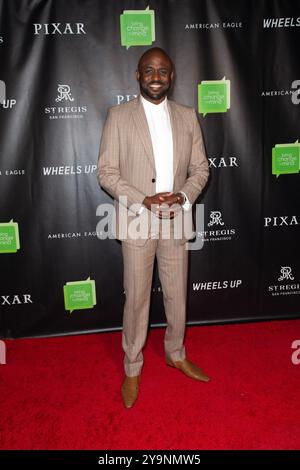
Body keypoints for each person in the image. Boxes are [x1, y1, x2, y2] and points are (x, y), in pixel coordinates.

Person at [97, 47, 210, 409]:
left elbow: (201, 170)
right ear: (138, 75)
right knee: (138, 299)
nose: (156, 76)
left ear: (172, 75)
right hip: (136, 220)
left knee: (177, 296)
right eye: (149, 70)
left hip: (176, 220)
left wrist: (182, 196)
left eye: (163, 71)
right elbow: (107, 172)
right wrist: (143, 199)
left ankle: (175, 352)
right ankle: (133, 366)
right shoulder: (118, 116)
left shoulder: (187, 116)